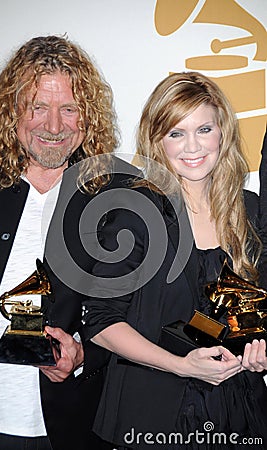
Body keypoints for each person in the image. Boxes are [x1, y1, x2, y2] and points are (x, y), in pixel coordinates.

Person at [0, 35, 139, 450]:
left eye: (68, 109)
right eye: (38, 107)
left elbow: (129, 309)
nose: (54, 126)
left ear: (88, 115)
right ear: (12, 110)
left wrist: (82, 354)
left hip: (61, 427)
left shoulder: (115, 195)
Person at [82, 72, 267, 449]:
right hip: (153, 413)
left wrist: (258, 349)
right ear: (157, 140)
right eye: (176, 133)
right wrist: (181, 364)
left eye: (204, 129)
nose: (193, 146)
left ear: (223, 133)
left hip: (238, 411)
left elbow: (256, 309)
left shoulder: (249, 210)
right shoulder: (136, 211)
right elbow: (101, 322)